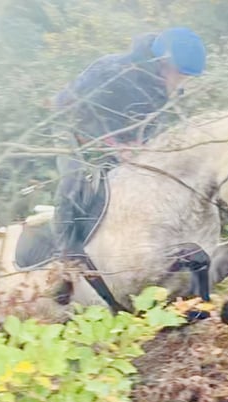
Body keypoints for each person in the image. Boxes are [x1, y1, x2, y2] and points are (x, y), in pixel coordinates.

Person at [50, 27, 207, 257]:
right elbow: (86, 116)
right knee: (73, 182)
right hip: (72, 126)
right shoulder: (112, 71)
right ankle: (65, 255)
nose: (183, 83)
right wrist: (115, 145)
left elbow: (147, 129)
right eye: (181, 75)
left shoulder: (160, 89)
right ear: (163, 64)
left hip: (119, 139)